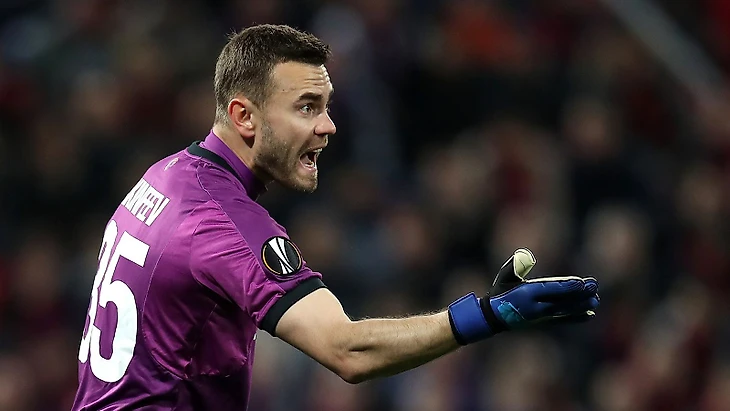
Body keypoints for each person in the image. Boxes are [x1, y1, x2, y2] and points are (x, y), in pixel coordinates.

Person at [71, 24, 600, 411]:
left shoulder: (164, 177)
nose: (328, 126)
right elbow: (347, 351)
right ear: (243, 115)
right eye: (306, 107)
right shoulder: (225, 222)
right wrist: (487, 315)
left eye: (326, 105)